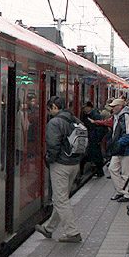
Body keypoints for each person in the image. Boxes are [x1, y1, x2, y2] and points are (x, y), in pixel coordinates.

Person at [35, 95, 83, 243]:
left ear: (55, 107)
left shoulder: (55, 122)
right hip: (74, 163)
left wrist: (49, 160)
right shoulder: (75, 120)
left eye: (50, 109)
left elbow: (53, 145)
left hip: (61, 165)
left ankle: (73, 232)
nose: (49, 112)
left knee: (60, 200)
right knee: (61, 197)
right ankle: (49, 228)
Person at [107, 98, 129, 202]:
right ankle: (122, 190)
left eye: (114, 106)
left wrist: (119, 143)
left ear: (120, 106)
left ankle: (125, 193)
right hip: (120, 148)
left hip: (126, 149)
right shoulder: (118, 116)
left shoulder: (125, 116)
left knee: (125, 172)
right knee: (113, 169)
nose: (112, 108)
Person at [80, 101, 106, 177]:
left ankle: (99, 172)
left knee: (94, 155)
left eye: (84, 108)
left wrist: (98, 139)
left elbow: (102, 129)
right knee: (93, 155)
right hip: (90, 138)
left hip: (94, 139)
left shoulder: (95, 115)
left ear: (89, 107)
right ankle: (98, 171)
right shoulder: (87, 115)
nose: (83, 109)